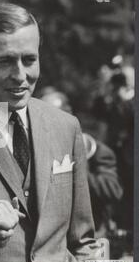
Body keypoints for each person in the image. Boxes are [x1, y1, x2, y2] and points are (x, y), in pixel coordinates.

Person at [0, 2, 97, 262]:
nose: (20, 75)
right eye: (4, 61)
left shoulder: (66, 126)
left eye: (29, 60)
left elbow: (83, 240)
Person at [39, 88, 123, 239]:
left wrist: (77, 166)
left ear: (69, 115)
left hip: (89, 237)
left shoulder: (96, 151)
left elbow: (113, 191)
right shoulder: (36, 150)